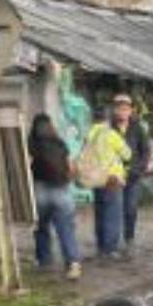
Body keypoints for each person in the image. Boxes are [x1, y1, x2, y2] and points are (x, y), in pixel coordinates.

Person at [28, 113, 82, 280]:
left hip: (40, 190)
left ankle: (44, 261)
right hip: (62, 191)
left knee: (40, 227)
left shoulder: (32, 144)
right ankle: (73, 263)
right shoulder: (60, 143)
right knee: (66, 229)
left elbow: (26, 166)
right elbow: (71, 168)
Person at [86, 106, 132, 260]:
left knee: (99, 212)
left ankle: (100, 246)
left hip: (96, 178)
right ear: (107, 119)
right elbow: (127, 154)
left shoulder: (89, 134)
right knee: (113, 213)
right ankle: (110, 249)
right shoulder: (111, 134)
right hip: (112, 179)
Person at [111, 94, 150, 258]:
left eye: (126, 109)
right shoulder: (109, 128)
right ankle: (112, 244)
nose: (123, 112)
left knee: (130, 209)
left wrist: (140, 168)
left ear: (130, 111)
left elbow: (145, 150)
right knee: (114, 210)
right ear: (115, 110)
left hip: (133, 176)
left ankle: (129, 239)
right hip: (113, 177)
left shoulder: (137, 127)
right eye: (120, 109)